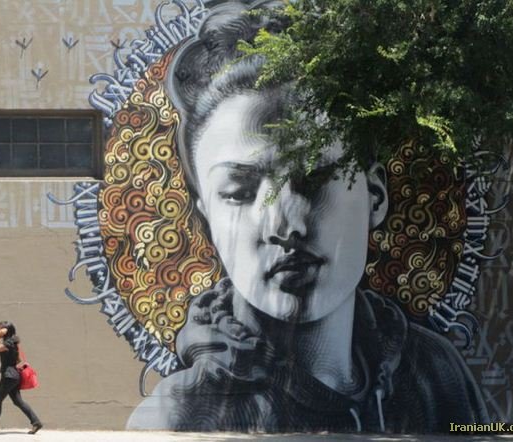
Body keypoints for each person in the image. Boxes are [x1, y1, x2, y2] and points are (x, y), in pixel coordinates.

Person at [127, 0, 489, 432]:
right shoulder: (177, 418)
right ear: (207, 222)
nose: (286, 225)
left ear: (375, 196)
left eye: (313, 180)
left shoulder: (434, 375)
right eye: (239, 193)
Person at [0, 321, 42, 435]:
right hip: (14, 376)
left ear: (5, 330)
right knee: (18, 401)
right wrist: (3, 367)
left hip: (9, 377)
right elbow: (17, 360)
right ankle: (36, 422)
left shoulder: (8, 343)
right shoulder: (13, 342)